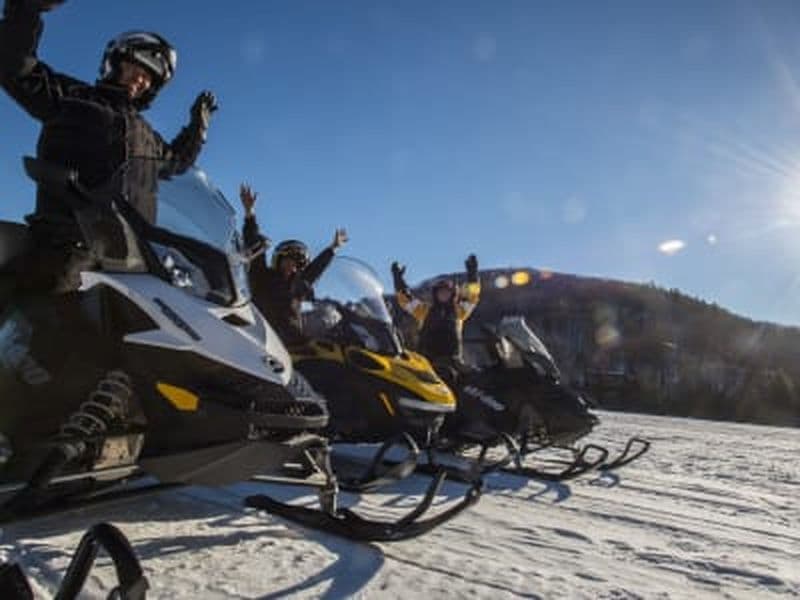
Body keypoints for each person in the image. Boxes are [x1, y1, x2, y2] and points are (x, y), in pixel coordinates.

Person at [0, 0, 217, 291]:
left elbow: (177, 162)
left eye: (149, 77)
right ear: (114, 64)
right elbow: (16, 68)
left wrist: (198, 129)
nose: (140, 79)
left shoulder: (147, 137)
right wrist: (27, 8)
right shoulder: (74, 97)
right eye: (134, 67)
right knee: (54, 301)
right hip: (69, 245)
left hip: (133, 261)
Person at [239, 184, 348, 346]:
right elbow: (253, 243)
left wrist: (333, 248)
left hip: (294, 346)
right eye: (288, 261)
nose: (292, 266)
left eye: (297, 264)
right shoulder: (262, 276)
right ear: (278, 260)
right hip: (260, 342)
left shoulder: (299, 285)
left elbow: (315, 269)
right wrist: (250, 213)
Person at [391, 255, 481, 385]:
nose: (443, 295)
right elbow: (406, 301)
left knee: (473, 378)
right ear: (435, 294)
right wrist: (398, 279)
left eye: (447, 292)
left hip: (453, 361)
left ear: (453, 294)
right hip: (427, 361)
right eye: (440, 292)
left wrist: (473, 275)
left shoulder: (459, 311)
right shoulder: (424, 310)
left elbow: (472, 296)